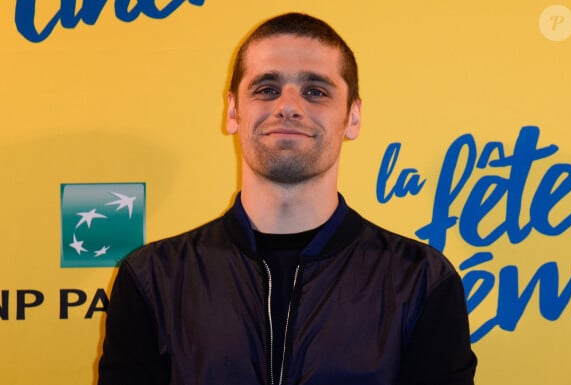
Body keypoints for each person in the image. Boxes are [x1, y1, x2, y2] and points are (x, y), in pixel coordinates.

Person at [98, 12, 477, 385]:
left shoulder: (421, 282)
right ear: (233, 110)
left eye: (316, 91)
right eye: (266, 89)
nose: (289, 106)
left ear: (353, 116)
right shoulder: (152, 279)